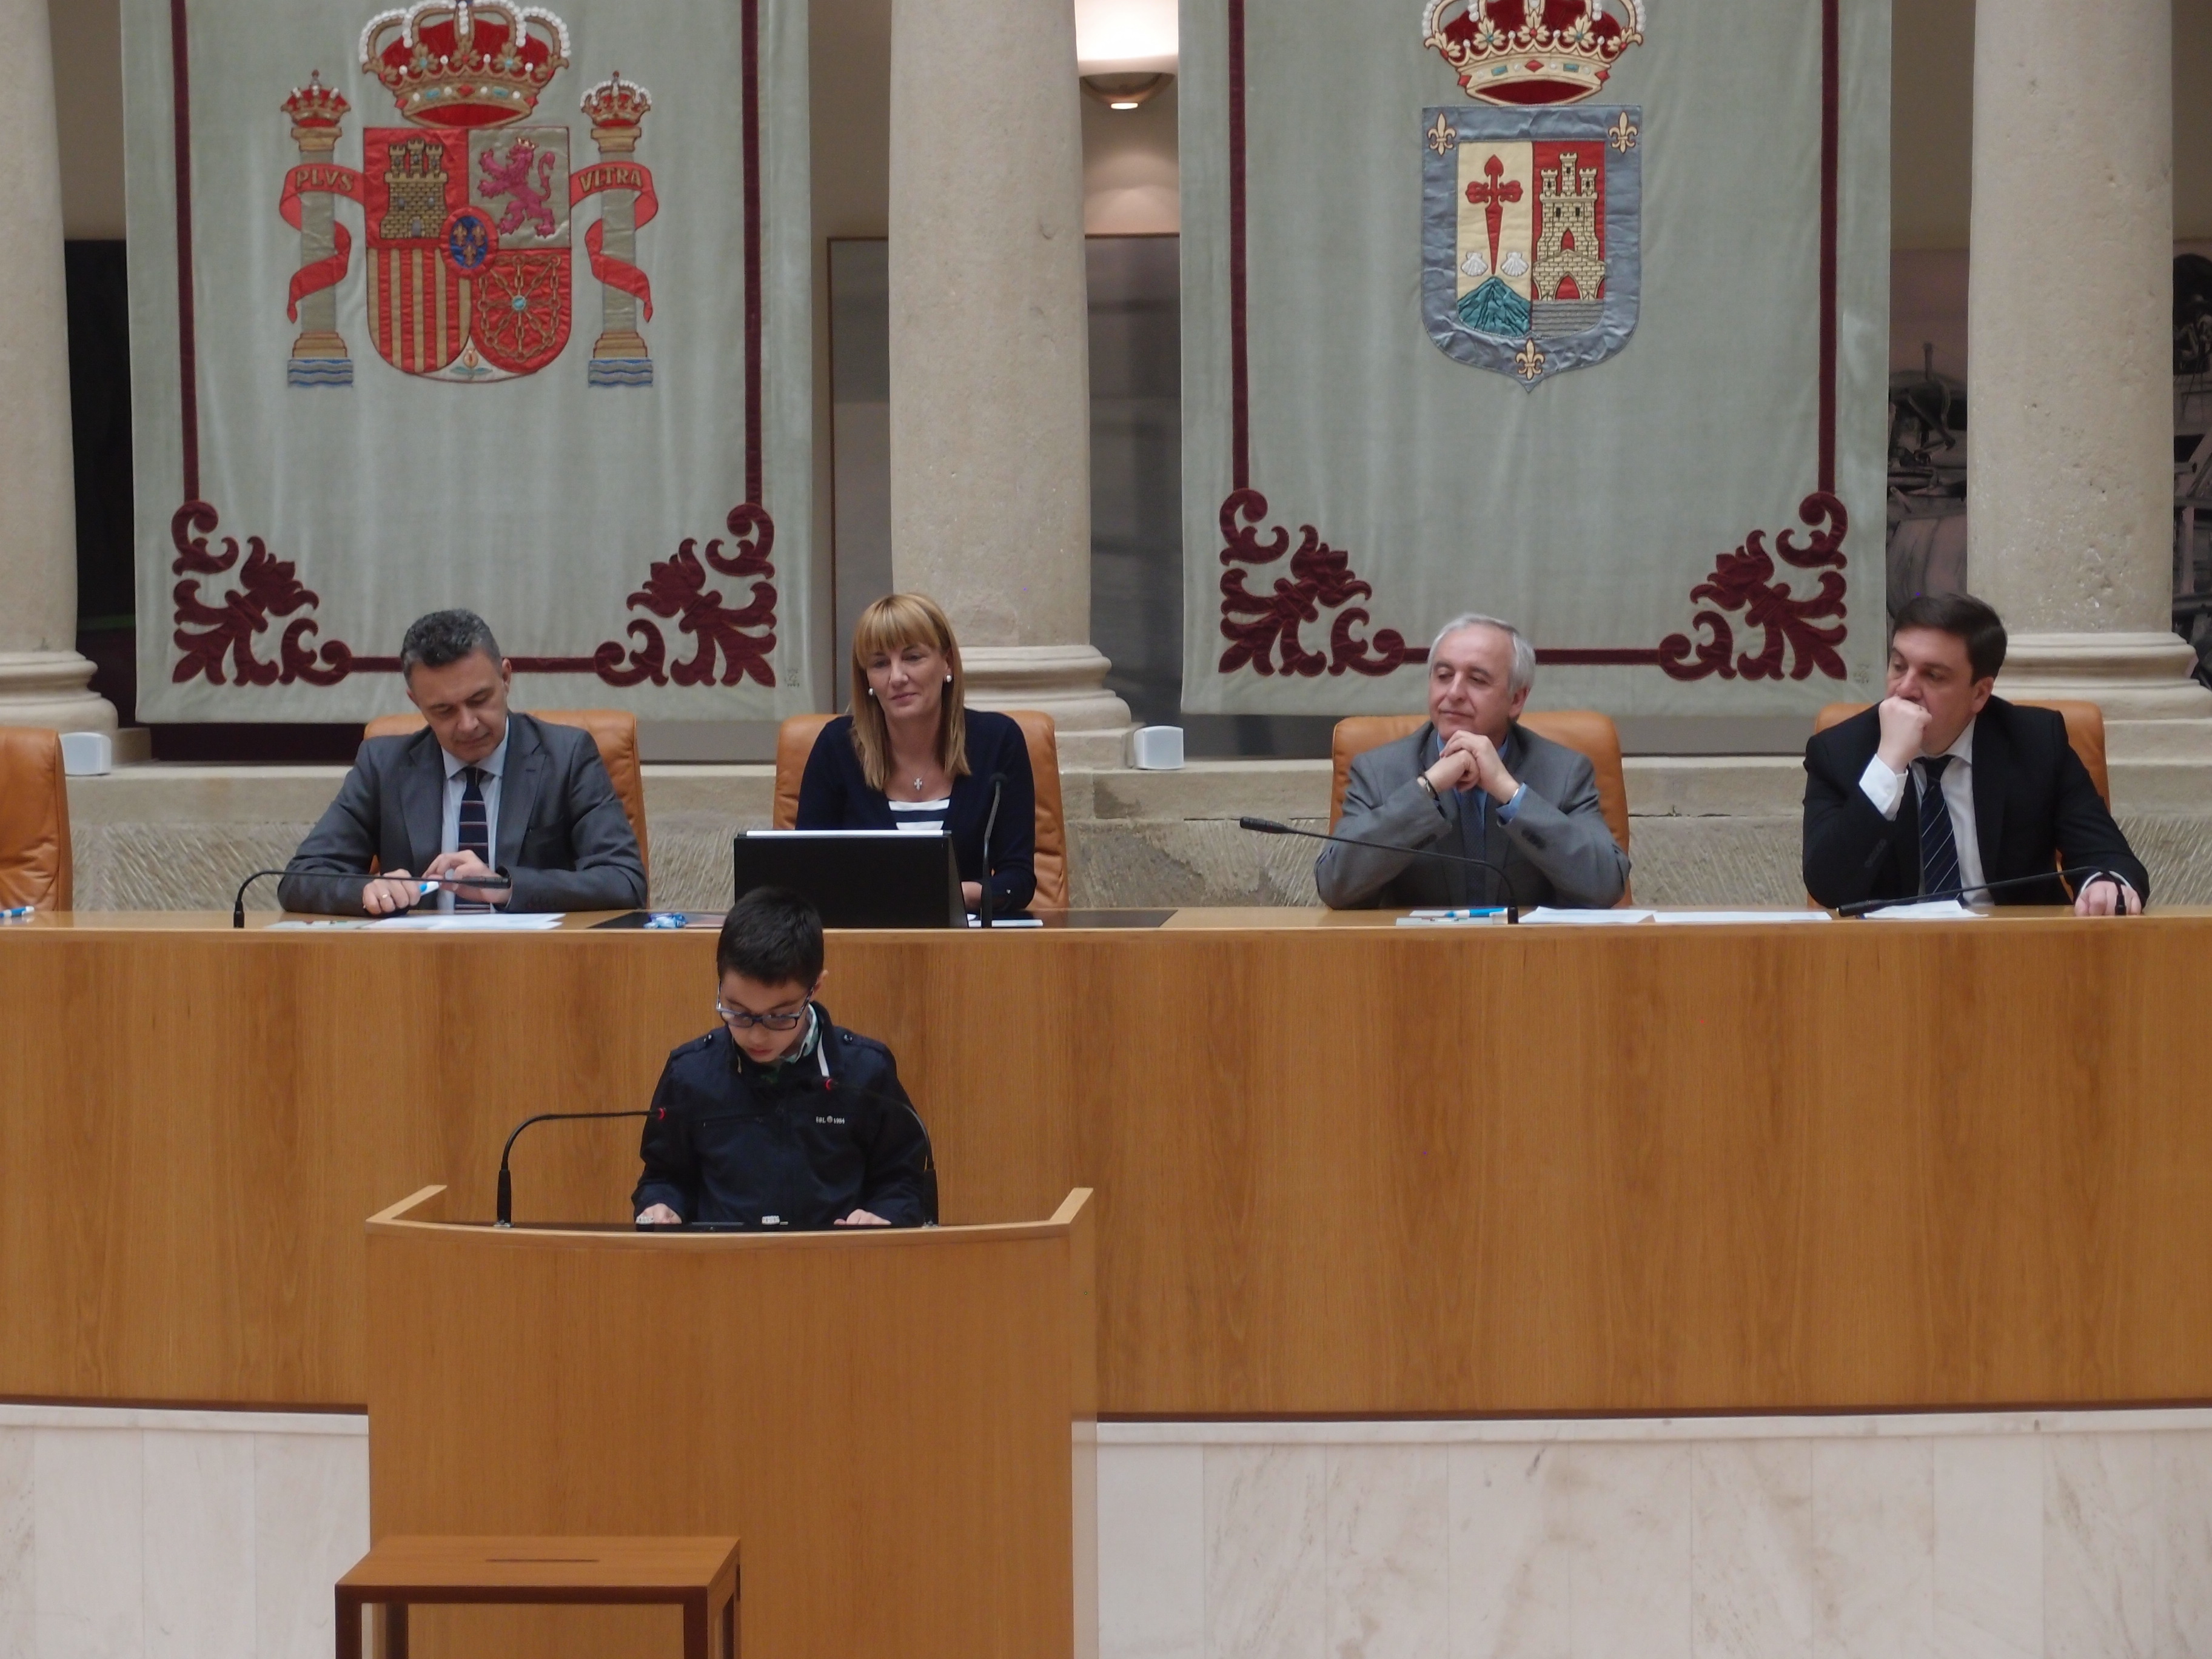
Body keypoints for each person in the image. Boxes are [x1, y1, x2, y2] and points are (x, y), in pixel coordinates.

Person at [279, 609, 648, 915]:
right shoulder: (384, 765)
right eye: (443, 710)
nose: (468, 724)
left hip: (536, 969)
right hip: (418, 973)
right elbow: (302, 878)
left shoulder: (566, 756)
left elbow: (624, 881)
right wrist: (369, 891)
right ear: (416, 702)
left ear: (505, 678)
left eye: (480, 699)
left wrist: (506, 887)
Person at [1803, 592, 2147, 914]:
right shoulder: (1840, 751)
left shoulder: (2036, 742)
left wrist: (2103, 883)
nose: (1905, 689)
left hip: (2016, 954)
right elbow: (1829, 887)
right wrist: (1888, 766)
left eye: (1932, 675)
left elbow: (2108, 858)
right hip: (1892, 961)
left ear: (1980, 694)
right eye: (1898, 666)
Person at [633, 886, 936, 1228]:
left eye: (779, 1017)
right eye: (738, 1012)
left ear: (814, 989)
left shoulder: (866, 1072)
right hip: (724, 1269)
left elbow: (901, 1181)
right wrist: (662, 1206)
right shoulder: (690, 1074)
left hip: (837, 1267)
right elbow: (663, 1177)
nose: (757, 1035)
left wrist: (885, 1215)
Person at [1318, 614, 1629, 910]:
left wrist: (1510, 793)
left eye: (1477, 680)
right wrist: (1428, 788)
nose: (1454, 693)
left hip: (1528, 959)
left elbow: (1605, 886)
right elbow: (1336, 886)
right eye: (1443, 676)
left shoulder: (1564, 772)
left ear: (1517, 699)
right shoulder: (1379, 771)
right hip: (1416, 959)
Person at [796, 592, 1038, 913]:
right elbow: (804, 872)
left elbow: (1018, 879)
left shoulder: (998, 742)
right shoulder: (837, 747)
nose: (897, 677)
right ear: (867, 678)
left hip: (964, 946)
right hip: (863, 946)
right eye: (880, 663)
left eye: (913, 657)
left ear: (947, 662)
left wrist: (952, 894)